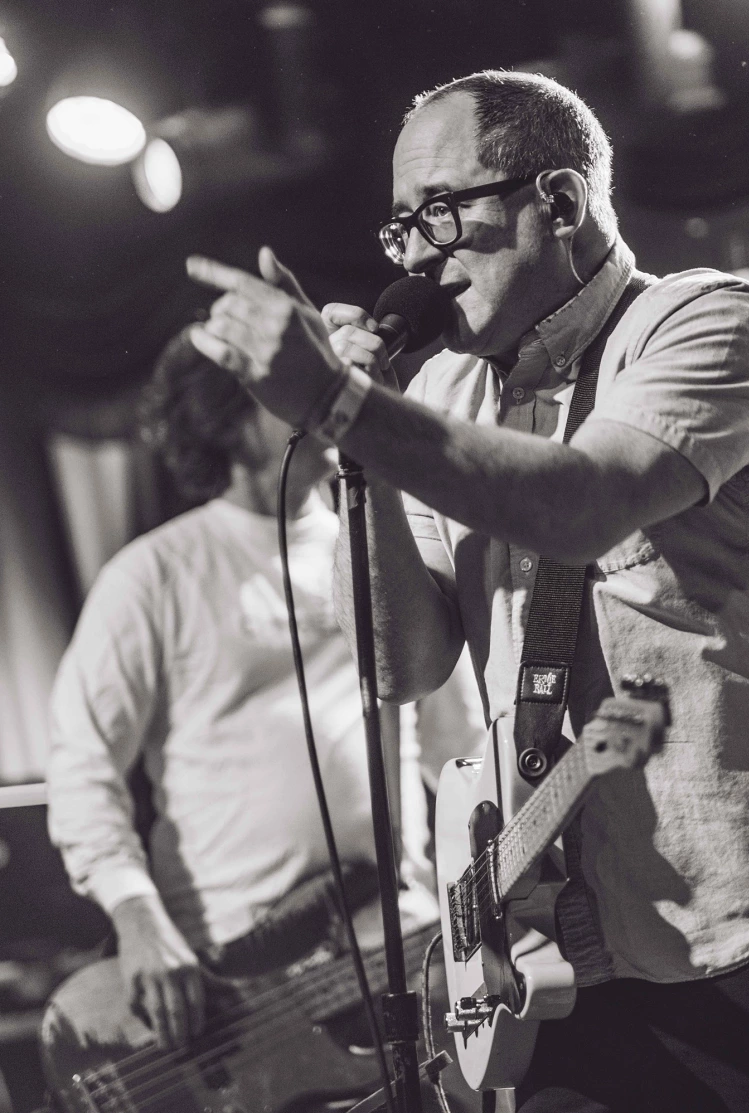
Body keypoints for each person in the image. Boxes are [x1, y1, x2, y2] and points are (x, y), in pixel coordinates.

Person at [186, 70, 749, 1113]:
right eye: (398, 227)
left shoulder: (705, 324)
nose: (415, 252)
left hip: (746, 923)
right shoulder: (444, 395)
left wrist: (345, 403)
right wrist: (350, 441)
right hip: (555, 946)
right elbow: (401, 663)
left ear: (555, 202)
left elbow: (582, 504)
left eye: (438, 211)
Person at [45, 329, 447, 1058]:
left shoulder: (379, 545)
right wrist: (137, 917)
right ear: (229, 415)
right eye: (289, 383)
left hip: (394, 930)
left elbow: (457, 734)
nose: (322, 398)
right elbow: (83, 767)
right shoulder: (153, 575)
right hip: (233, 972)